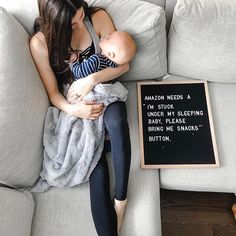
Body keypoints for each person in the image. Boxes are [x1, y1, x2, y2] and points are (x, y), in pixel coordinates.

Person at [30, 0, 132, 235]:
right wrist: (75, 110)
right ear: (55, 22)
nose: (79, 22)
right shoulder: (40, 43)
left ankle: (121, 199)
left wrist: (92, 79)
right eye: (72, 22)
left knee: (117, 122)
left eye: (79, 15)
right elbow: (54, 94)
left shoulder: (97, 18)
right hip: (74, 104)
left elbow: (123, 64)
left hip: (104, 89)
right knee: (94, 164)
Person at [68, 30, 136, 85]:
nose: (106, 35)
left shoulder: (96, 60)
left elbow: (79, 73)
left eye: (108, 38)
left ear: (110, 54)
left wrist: (73, 60)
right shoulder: (115, 65)